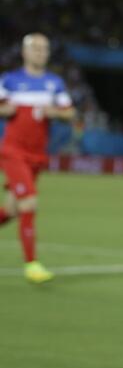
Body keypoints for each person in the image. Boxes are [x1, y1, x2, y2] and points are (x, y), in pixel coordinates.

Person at [0, 34, 76, 284]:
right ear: (24, 52)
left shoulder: (54, 83)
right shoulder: (10, 80)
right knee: (29, 202)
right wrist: (5, 110)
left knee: (11, 210)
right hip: (12, 152)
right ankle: (32, 264)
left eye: (44, 48)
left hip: (37, 155)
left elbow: (70, 112)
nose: (41, 52)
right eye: (36, 48)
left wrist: (53, 111)